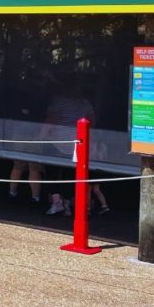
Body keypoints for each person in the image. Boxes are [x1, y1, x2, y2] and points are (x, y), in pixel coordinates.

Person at [41, 76, 96, 216]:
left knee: (52, 172)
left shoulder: (59, 101)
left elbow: (51, 120)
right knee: (70, 174)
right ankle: (67, 204)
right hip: (77, 143)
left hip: (58, 142)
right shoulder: (85, 103)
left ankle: (56, 201)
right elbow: (92, 121)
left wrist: (41, 136)